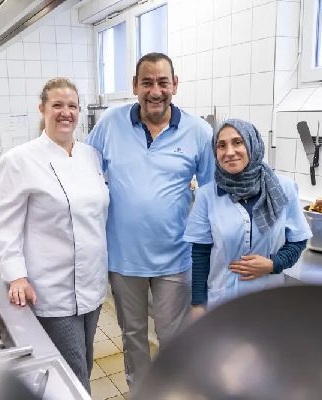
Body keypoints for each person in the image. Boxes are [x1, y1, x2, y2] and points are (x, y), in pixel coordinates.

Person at [86, 52, 216, 389]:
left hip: (175, 258)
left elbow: (212, 195)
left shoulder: (198, 131)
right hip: (123, 258)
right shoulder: (110, 124)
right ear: (135, 86)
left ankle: (172, 393)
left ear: (175, 84)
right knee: (133, 336)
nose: (155, 91)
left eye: (162, 82)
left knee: (173, 337)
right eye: (147, 82)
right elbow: (84, 173)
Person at [0, 77, 109, 393]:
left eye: (72, 106)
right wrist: (16, 276)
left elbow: (97, 216)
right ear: (42, 109)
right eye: (57, 105)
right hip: (51, 288)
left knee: (85, 361)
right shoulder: (19, 160)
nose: (65, 112)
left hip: (92, 284)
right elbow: (3, 225)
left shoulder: (90, 156)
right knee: (73, 372)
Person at [184, 119, 312, 317]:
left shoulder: (283, 189)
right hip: (222, 302)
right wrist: (198, 305)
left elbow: (298, 240)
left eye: (238, 142)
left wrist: (274, 264)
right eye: (221, 145)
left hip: (267, 303)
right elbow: (201, 253)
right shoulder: (207, 196)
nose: (229, 152)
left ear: (252, 144)